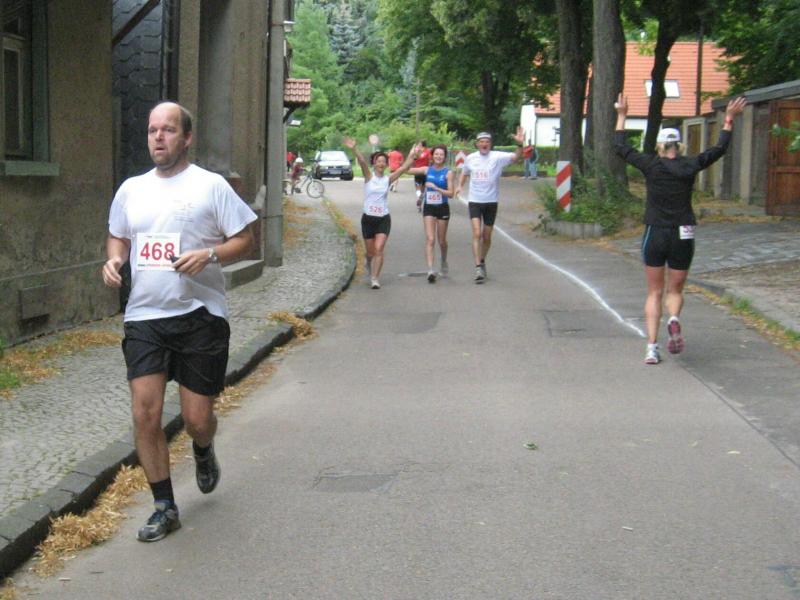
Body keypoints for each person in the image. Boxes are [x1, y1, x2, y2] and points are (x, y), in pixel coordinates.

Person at [102, 101, 257, 542]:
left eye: (168, 130)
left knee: (196, 418)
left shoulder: (210, 186)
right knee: (144, 412)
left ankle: (203, 449)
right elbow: (118, 234)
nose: (158, 137)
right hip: (145, 316)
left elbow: (246, 239)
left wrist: (209, 254)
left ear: (187, 138)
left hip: (199, 315)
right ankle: (164, 506)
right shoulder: (131, 189)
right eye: (153, 130)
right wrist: (115, 260)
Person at [613, 92, 747, 365]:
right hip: (683, 232)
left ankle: (652, 348)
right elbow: (719, 149)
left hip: (655, 231)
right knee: (674, 290)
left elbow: (620, 147)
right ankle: (673, 317)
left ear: (660, 145)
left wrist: (622, 115)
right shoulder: (690, 165)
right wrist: (728, 120)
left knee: (654, 291)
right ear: (680, 145)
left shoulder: (650, 165)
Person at [343, 137, 419, 289]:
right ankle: (368, 261)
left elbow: (404, 168)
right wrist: (354, 148)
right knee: (371, 252)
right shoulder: (369, 177)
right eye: (379, 161)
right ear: (375, 163)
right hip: (368, 219)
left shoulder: (388, 179)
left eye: (384, 161)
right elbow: (362, 162)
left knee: (379, 249)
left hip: (383, 218)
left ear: (386, 164)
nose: (381, 163)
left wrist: (412, 154)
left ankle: (375, 278)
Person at [455, 128, 525, 283]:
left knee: (486, 237)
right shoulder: (471, 158)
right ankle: (478, 267)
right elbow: (464, 173)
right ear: (477, 144)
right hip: (475, 201)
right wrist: (459, 186)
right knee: (477, 233)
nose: (484, 144)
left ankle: (482, 260)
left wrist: (520, 145)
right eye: (481, 142)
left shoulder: (497, 157)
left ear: (490, 144)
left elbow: (515, 157)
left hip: (491, 201)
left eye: (487, 141)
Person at [407, 144, 453, 282]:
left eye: (441, 154)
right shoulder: (426, 170)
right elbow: (406, 170)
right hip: (429, 208)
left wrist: (437, 188)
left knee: (441, 241)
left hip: (443, 207)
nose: (438, 156)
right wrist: (412, 155)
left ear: (445, 157)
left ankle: (443, 260)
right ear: (432, 156)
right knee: (430, 239)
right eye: (436, 154)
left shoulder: (448, 172)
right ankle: (431, 270)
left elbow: (451, 193)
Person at [412, 141, 431, 211]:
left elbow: (413, 160)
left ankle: (419, 199)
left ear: (422, 145)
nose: (418, 146)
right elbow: (430, 161)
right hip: (425, 172)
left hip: (417, 171)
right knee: (422, 189)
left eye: (419, 144)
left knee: (418, 188)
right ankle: (420, 203)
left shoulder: (416, 152)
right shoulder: (428, 152)